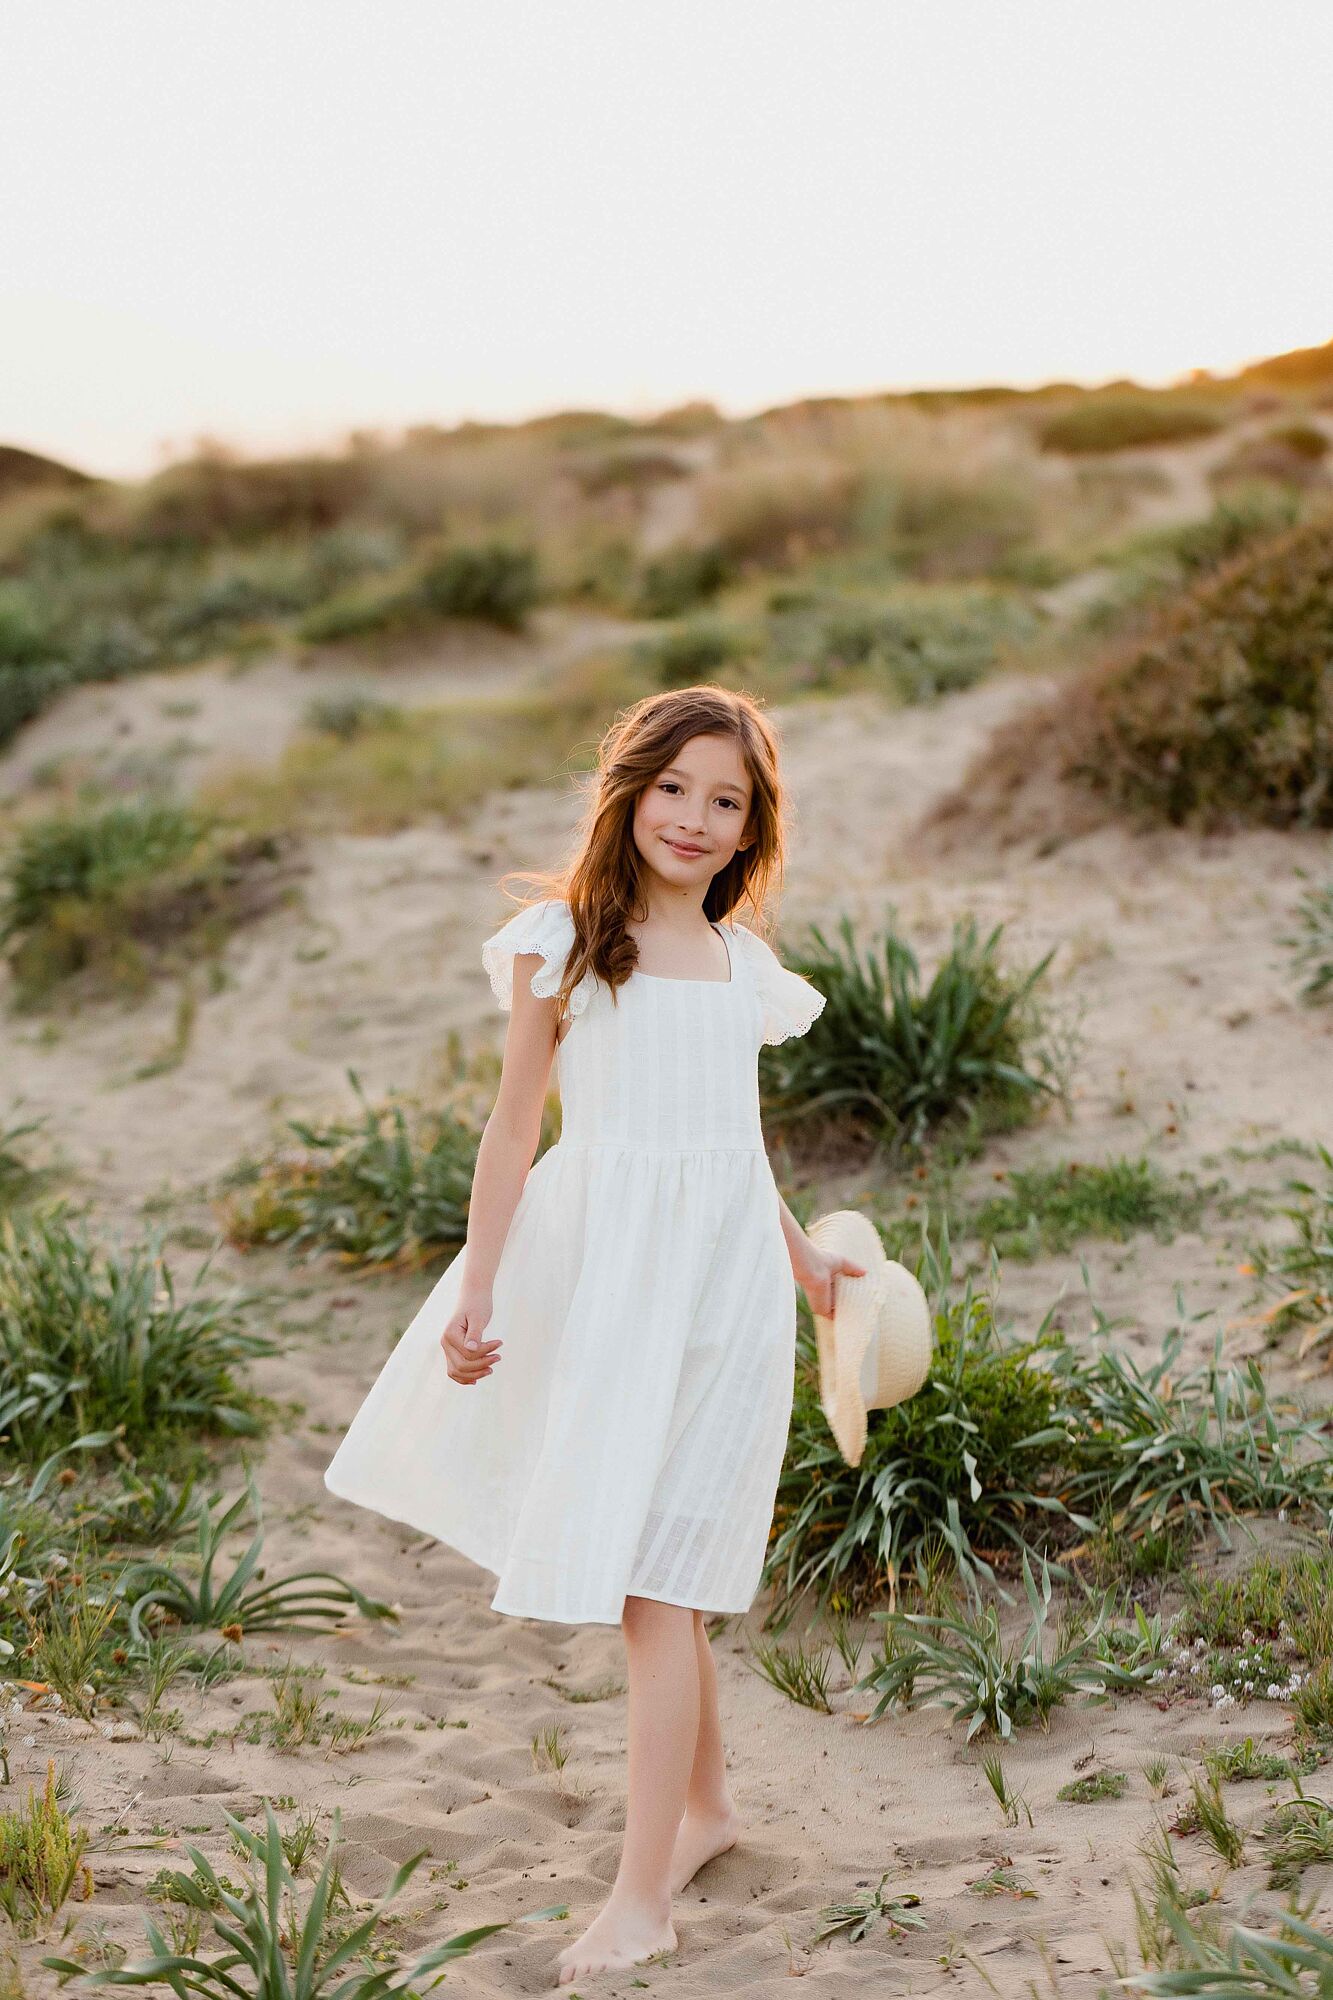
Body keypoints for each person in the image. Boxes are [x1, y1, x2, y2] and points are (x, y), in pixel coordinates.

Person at [324, 683, 865, 1984]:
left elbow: (734, 1147)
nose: (694, 817)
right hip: (610, 1281)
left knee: (659, 1579)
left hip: (722, 1292)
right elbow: (515, 1128)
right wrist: (478, 1289)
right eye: (674, 787)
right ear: (627, 791)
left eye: (725, 801)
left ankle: (645, 1895)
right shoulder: (564, 941)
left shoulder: (740, 965)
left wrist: (805, 1265)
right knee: (650, 1576)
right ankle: (704, 1816)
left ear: (750, 831)